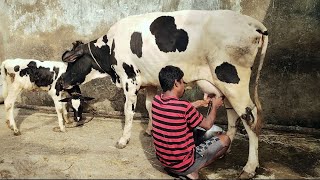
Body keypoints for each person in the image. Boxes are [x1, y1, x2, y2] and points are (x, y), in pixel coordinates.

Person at [151, 65, 230, 179]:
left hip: (165, 161)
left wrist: (200, 103)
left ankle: (177, 169)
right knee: (225, 139)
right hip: (184, 165)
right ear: (176, 84)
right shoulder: (184, 107)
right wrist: (214, 107)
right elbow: (208, 125)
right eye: (183, 82)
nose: (184, 86)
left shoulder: (157, 100)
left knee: (192, 130)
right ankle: (192, 170)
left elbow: (177, 109)